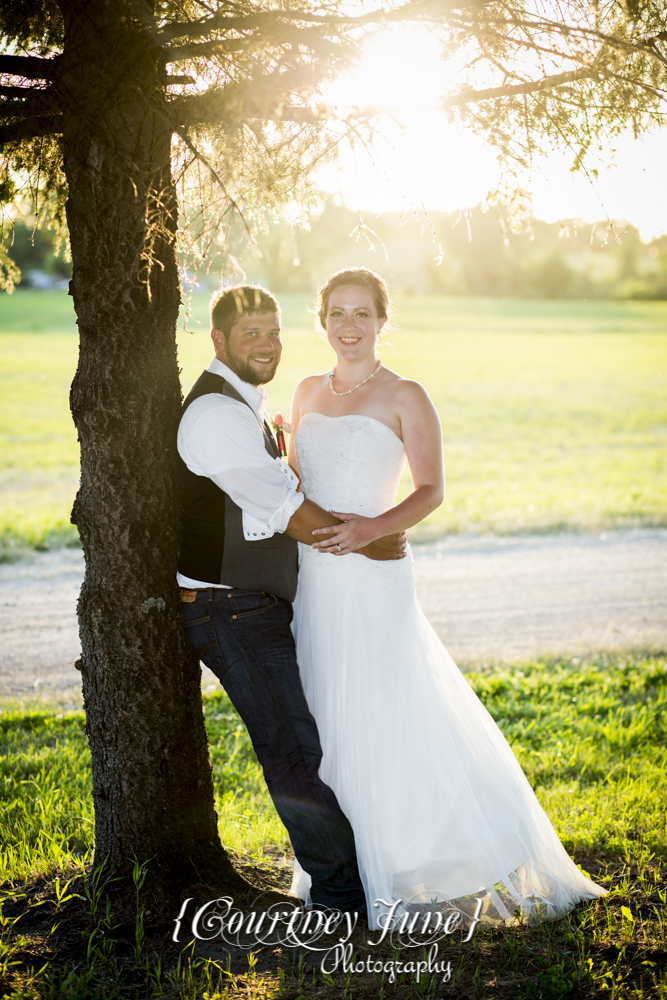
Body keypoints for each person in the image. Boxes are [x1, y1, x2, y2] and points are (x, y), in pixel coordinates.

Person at [286, 267, 607, 930]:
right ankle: (342, 867)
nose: (349, 326)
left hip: (374, 577)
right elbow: (296, 481)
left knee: (388, 709)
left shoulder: (406, 395)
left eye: (362, 314)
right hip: (312, 579)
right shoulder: (305, 390)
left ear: (381, 320)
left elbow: (430, 489)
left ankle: (418, 860)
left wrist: (368, 529)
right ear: (322, 321)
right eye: (337, 314)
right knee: (326, 716)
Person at [176, 284, 405, 916]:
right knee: (292, 750)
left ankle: (343, 885)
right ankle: (341, 898)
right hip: (230, 608)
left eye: (273, 331)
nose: (267, 344)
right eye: (251, 333)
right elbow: (282, 508)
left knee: (301, 742)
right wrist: (366, 541)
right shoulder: (216, 415)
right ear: (219, 341)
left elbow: (282, 485)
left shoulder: (248, 404)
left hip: (253, 604)